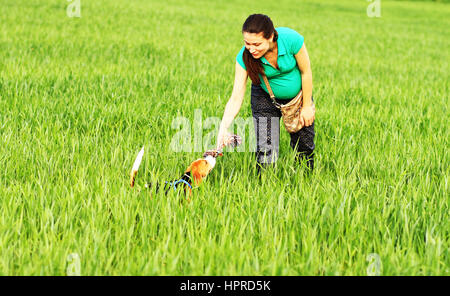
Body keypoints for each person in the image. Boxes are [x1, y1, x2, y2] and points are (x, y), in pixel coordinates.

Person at [216, 14, 316, 174]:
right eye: (247, 43)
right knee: (265, 147)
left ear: (270, 37)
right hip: (264, 97)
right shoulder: (244, 57)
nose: (251, 48)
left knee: (304, 143)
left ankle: (306, 181)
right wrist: (223, 128)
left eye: (256, 44)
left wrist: (306, 107)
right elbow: (235, 97)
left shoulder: (291, 39)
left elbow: (306, 72)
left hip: (298, 98)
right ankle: (265, 183)